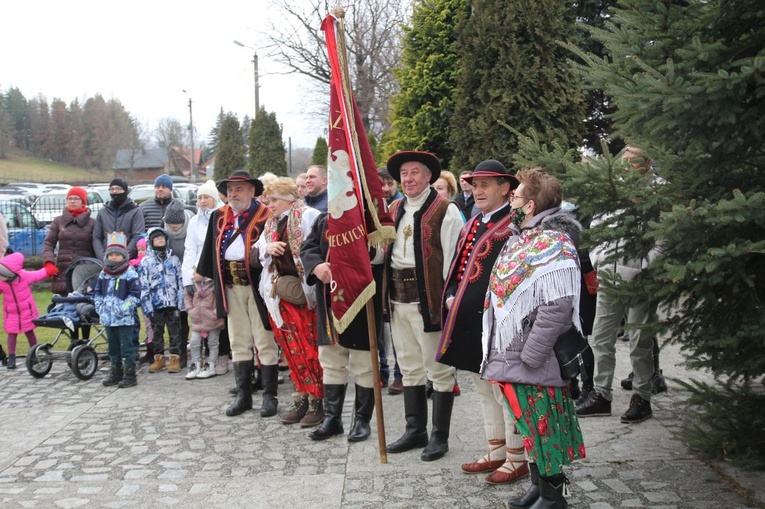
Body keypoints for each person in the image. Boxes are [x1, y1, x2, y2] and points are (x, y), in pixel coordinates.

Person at [482, 167, 585, 509]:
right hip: (514, 352)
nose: (510, 200)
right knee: (529, 424)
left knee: (545, 426)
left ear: (529, 205)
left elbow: (558, 304)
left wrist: (532, 353)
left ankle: (554, 497)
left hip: (533, 356)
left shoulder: (552, 241)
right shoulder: (524, 236)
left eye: (515, 196)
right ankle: (539, 486)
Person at [437, 159, 528, 485]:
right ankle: (497, 449)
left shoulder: (515, 224)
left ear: (505, 188)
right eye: (474, 184)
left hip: (501, 323)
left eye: (486, 184)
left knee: (503, 389)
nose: (478, 190)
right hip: (472, 322)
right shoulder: (475, 221)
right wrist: (452, 297)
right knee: (482, 387)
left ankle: (518, 457)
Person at [384, 150, 464, 461]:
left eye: (415, 172)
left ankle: (439, 437)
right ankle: (414, 430)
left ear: (429, 176)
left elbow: (454, 262)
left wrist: (444, 303)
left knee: (440, 370)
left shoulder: (446, 210)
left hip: (427, 301)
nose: (408, 179)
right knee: (409, 367)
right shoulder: (394, 209)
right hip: (397, 299)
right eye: (404, 174)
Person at [576, 146, 663, 424]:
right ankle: (601, 394)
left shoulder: (660, 190)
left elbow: (665, 236)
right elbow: (598, 226)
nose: (627, 165)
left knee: (640, 341)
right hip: (609, 277)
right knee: (601, 337)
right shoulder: (613, 189)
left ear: (648, 162)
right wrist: (599, 260)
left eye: (633, 160)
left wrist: (645, 266)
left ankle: (642, 397)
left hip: (641, 279)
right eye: (624, 160)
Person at [196, 170, 277, 418]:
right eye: (230, 189)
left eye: (239, 188)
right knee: (238, 341)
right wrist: (204, 274)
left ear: (252, 191)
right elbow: (211, 248)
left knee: (264, 341)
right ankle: (243, 396)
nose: (233, 193)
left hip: (256, 287)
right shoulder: (219, 216)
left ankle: (269, 396)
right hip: (230, 286)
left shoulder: (266, 215)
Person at [301, 212, 384, 441]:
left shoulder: (370, 217)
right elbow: (308, 247)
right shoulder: (324, 219)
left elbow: (381, 253)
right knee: (331, 361)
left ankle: (361, 421)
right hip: (329, 300)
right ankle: (332, 419)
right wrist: (316, 266)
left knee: (364, 364)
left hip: (361, 301)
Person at [255, 177, 324, 427]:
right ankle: (301, 396)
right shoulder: (271, 223)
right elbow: (257, 251)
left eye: (273, 200)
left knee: (309, 348)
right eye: (268, 199)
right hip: (280, 294)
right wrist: (267, 248)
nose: (268, 204)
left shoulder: (310, 216)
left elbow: (319, 248)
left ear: (288, 199)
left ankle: (318, 399)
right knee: (290, 348)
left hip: (305, 294)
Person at [182, 180, 226, 379]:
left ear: (215, 198)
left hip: (217, 273)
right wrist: (188, 280)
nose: (202, 201)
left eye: (206, 197)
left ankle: (219, 357)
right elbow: (190, 249)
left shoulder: (221, 216)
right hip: (198, 276)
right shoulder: (194, 221)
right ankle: (197, 363)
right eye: (199, 197)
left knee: (219, 320)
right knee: (200, 325)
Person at [93, 233, 142, 388]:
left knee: (126, 346)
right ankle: (115, 371)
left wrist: (124, 308)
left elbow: (135, 294)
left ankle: (129, 374)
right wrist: (100, 307)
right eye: (111, 255)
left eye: (117, 255)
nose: (114, 258)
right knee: (113, 347)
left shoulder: (130, 273)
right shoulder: (104, 274)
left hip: (124, 318)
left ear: (124, 257)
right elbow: (98, 292)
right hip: (108, 317)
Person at [0, 252, 57, 369]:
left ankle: (34, 354)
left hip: (27, 310)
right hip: (11, 312)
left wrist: (48, 270)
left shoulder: (24, 276)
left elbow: (38, 274)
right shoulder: (2, 282)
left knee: (29, 332)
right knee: (11, 333)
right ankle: (11, 357)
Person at [140, 227, 185, 374]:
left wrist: (180, 302)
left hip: (172, 303)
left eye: (162, 237)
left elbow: (179, 281)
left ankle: (174, 358)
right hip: (155, 303)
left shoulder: (174, 259)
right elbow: (143, 284)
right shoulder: (146, 262)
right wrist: (147, 305)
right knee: (157, 332)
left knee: (174, 332)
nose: (160, 240)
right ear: (150, 241)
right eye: (156, 238)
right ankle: (158, 358)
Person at [376, 166, 403, 394]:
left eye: (390, 184)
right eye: (381, 184)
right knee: (379, 329)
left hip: (394, 274)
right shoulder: (371, 206)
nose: (385, 189)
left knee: (397, 329)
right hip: (376, 273)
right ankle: (382, 370)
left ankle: (400, 374)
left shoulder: (400, 206)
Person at [42, 187, 96, 296]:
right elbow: (49, 243)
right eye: (69, 198)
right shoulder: (58, 221)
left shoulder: (93, 223)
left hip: (85, 269)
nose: (72, 201)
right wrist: (48, 262)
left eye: (76, 198)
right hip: (62, 270)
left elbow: (97, 245)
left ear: (83, 202)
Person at [93, 178, 145, 260]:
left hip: (128, 260)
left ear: (125, 190)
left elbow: (137, 236)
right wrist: (103, 257)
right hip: (107, 259)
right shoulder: (103, 212)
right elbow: (96, 237)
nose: (114, 192)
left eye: (118, 189)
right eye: (112, 189)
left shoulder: (135, 211)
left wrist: (124, 256)